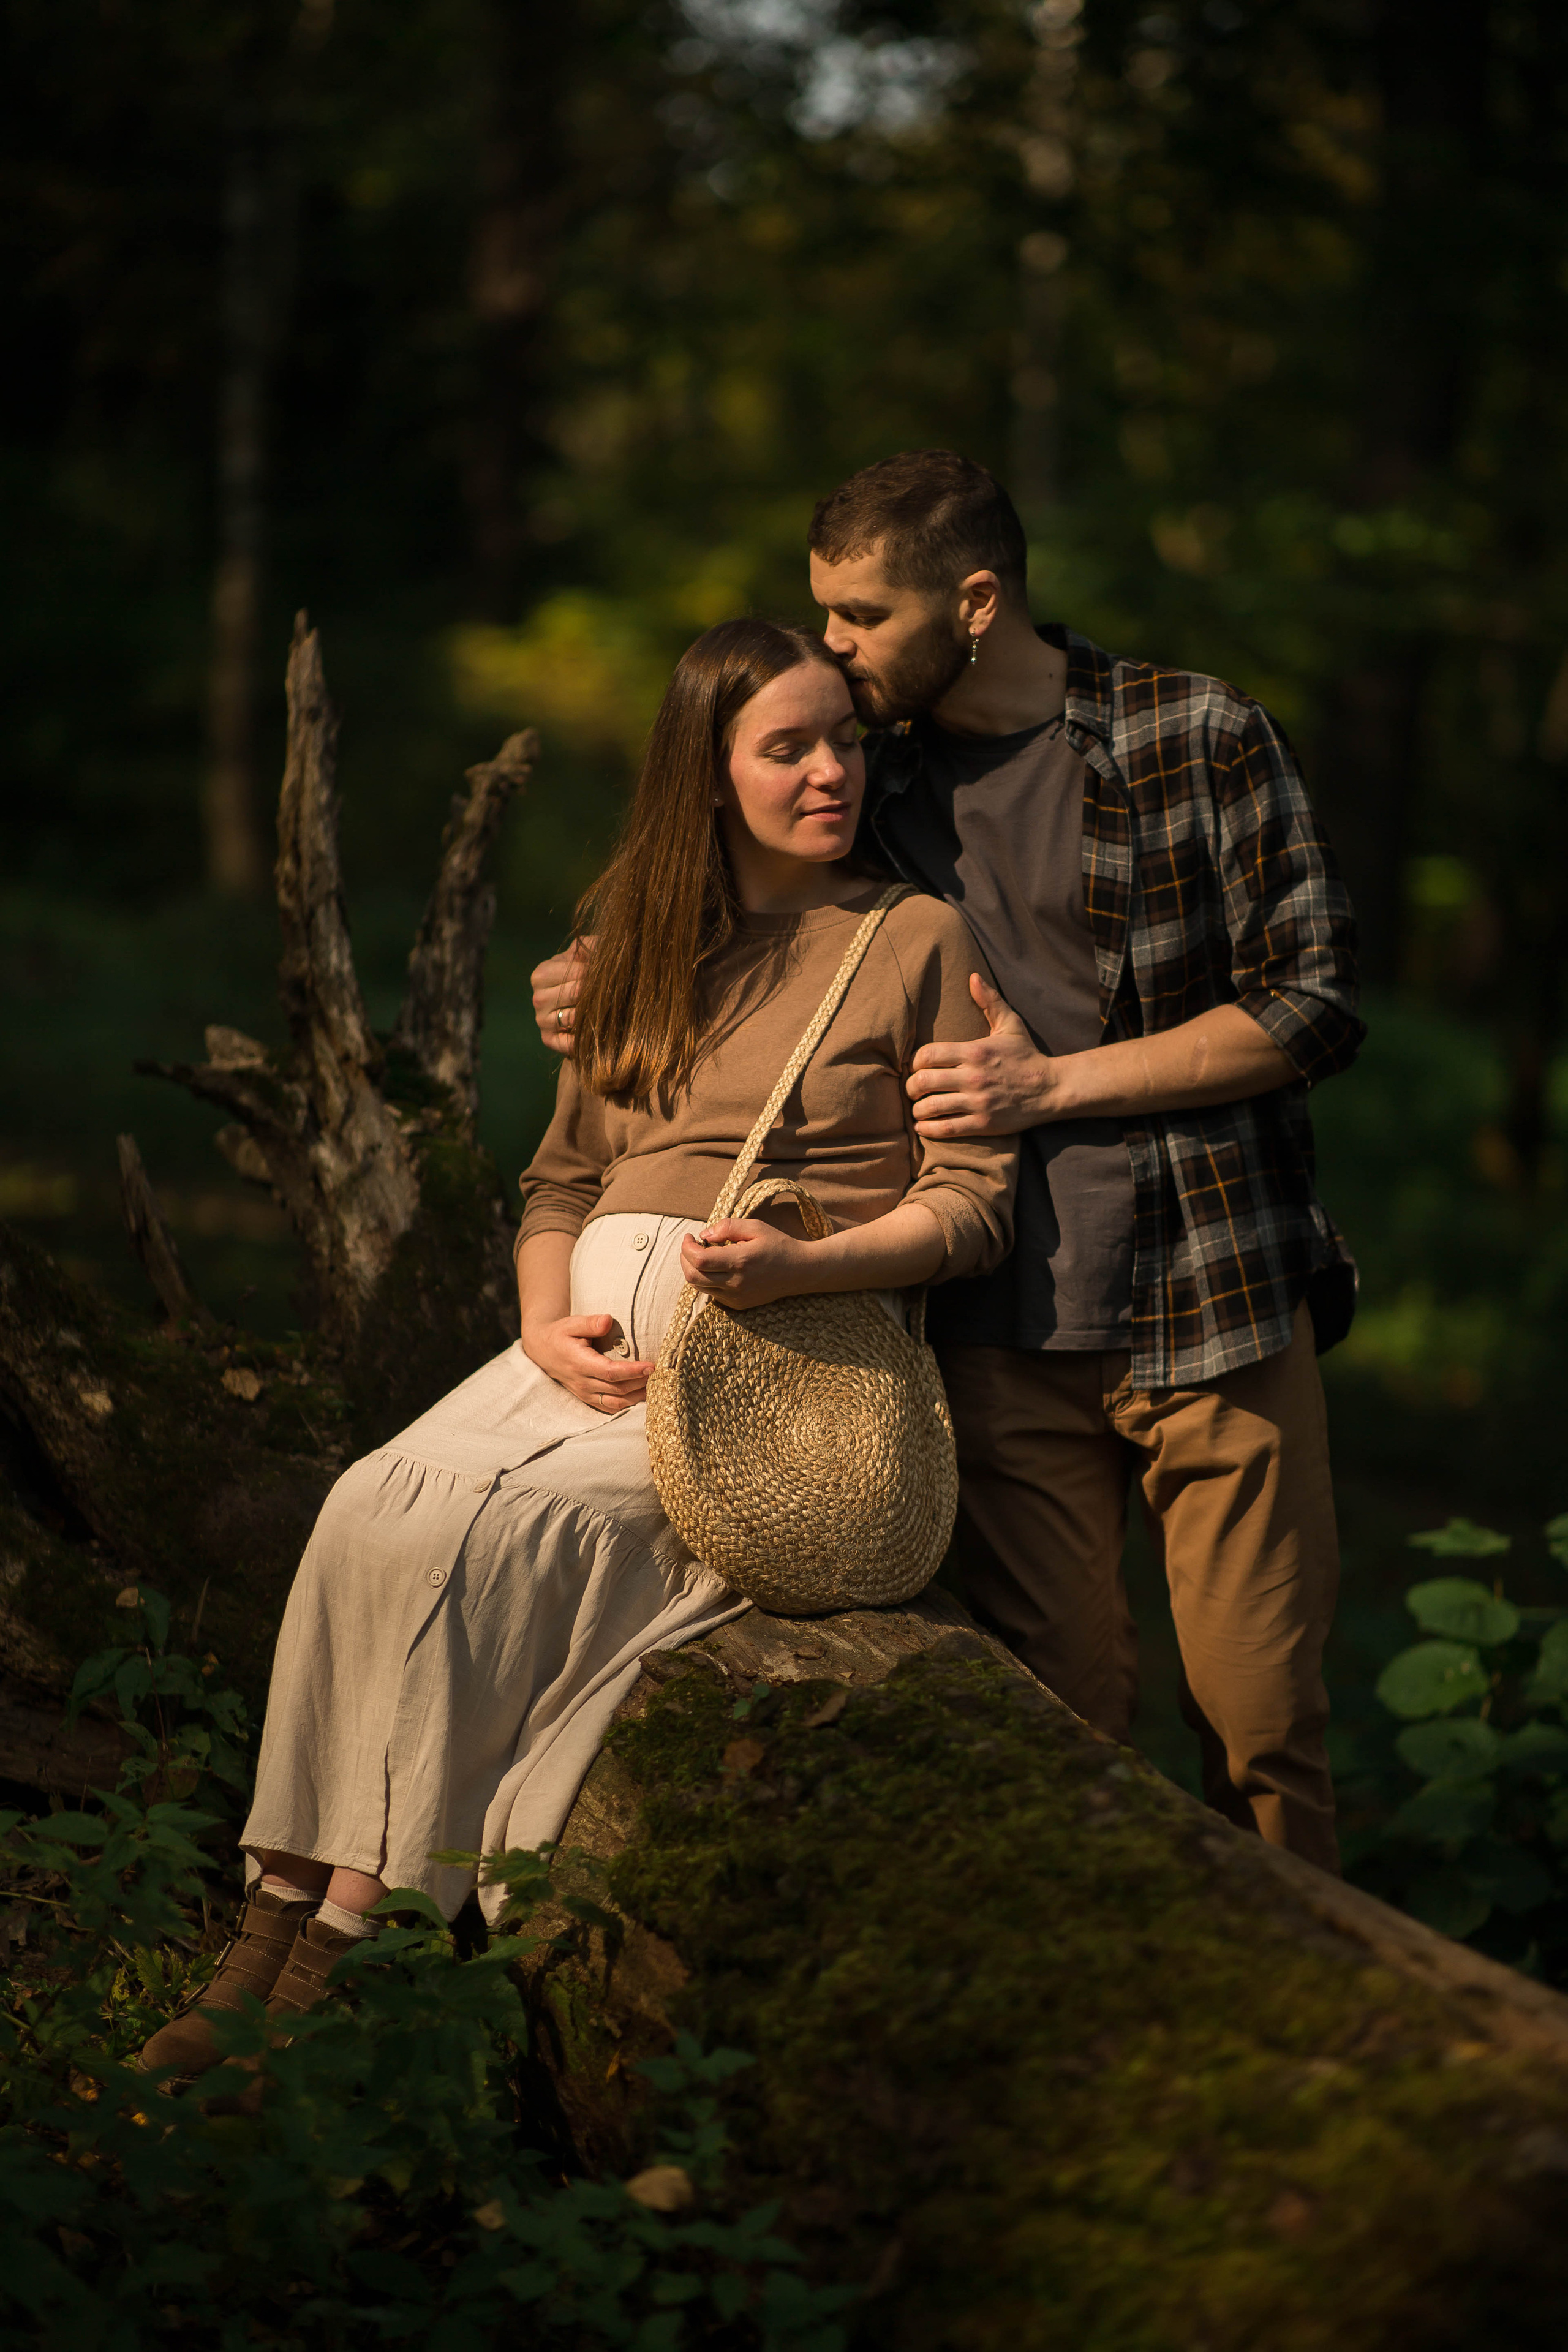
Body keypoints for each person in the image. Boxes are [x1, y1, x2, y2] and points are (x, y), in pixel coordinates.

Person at [138, 616, 1016, 2081]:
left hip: (765, 1374)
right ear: (707, 772)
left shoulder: (908, 938)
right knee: (371, 1507)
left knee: (510, 1538)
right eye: (785, 747)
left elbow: (973, 1209)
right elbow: (557, 1184)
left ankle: (337, 1958)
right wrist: (544, 1321)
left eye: (843, 741)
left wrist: (811, 1262)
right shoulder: (646, 948)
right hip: (579, 1347)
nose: (829, 773)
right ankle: (265, 1925)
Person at [532, 451, 1363, 1875]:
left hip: (1210, 1298)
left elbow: (1310, 1003)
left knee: (1259, 1727)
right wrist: (598, 967)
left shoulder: (1190, 733)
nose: (835, 653)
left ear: (972, 603)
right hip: (994, 1325)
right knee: (1062, 1733)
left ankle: (1306, 2059)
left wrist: (1048, 1083)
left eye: (857, 618)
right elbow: (704, 866)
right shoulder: (869, 768)